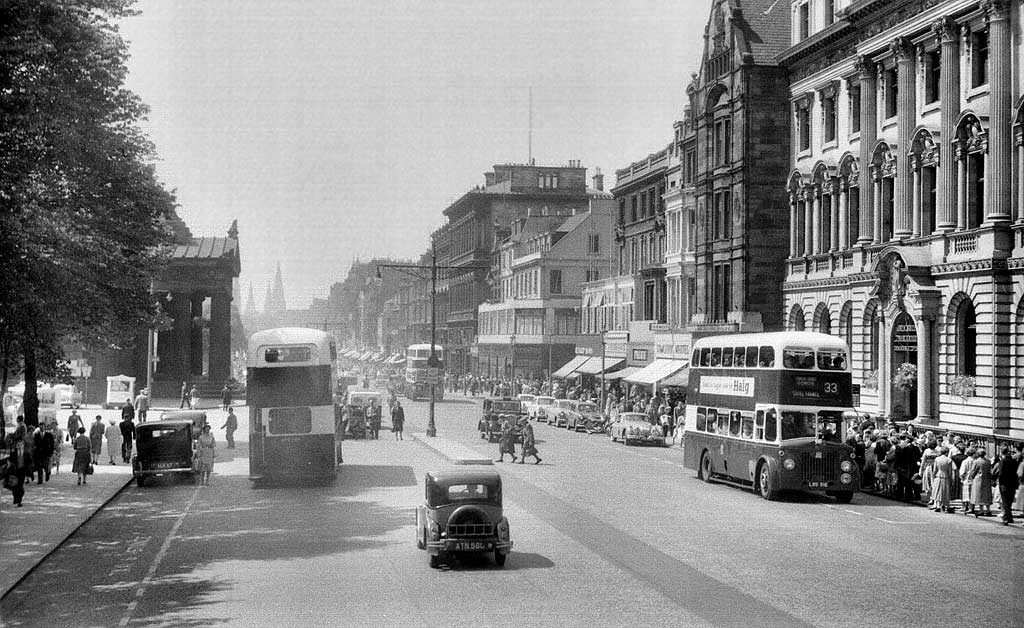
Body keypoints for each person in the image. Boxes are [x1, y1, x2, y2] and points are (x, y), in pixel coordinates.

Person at [994, 447, 1020, 526]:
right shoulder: (1014, 462)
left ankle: (1006, 518)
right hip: (1012, 483)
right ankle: (1009, 516)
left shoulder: (1003, 461)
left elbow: (1001, 473)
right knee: (1009, 501)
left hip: (1004, 483)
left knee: (1005, 501)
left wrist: (999, 481)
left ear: (1002, 453)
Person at [3, 437, 33, 506]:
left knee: (20, 486)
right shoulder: (13, 452)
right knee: (15, 486)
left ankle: (19, 501)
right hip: (15, 471)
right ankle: (15, 498)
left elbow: (30, 462)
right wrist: (8, 463)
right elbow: (9, 460)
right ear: (16, 445)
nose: (19, 446)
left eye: (21, 444)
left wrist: (29, 470)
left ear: (23, 445)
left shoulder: (26, 452)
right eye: (18, 444)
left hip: (23, 471)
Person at [967, 449, 993, 517]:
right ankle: (988, 510)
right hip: (987, 479)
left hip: (978, 479)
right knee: (986, 495)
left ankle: (981, 510)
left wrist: (971, 477)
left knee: (980, 495)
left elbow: (973, 471)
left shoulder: (976, 462)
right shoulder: (988, 461)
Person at [931, 446, 955, 513]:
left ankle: (938, 505)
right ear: (947, 452)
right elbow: (950, 471)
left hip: (938, 475)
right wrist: (951, 479)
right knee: (946, 491)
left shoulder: (937, 459)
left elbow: (935, 470)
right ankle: (947, 506)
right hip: (945, 476)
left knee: (938, 490)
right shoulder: (949, 460)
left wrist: (933, 477)